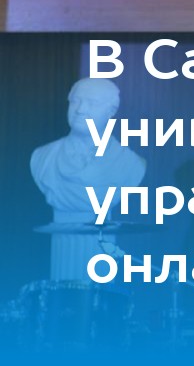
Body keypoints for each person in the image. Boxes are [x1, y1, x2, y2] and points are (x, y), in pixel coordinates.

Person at [31, 78, 146, 280]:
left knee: (94, 294)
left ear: (111, 111)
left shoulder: (130, 163)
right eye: (75, 101)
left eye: (92, 103)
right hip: (60, 249)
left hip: (99, 257)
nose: (81, 110)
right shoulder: (43, 158)